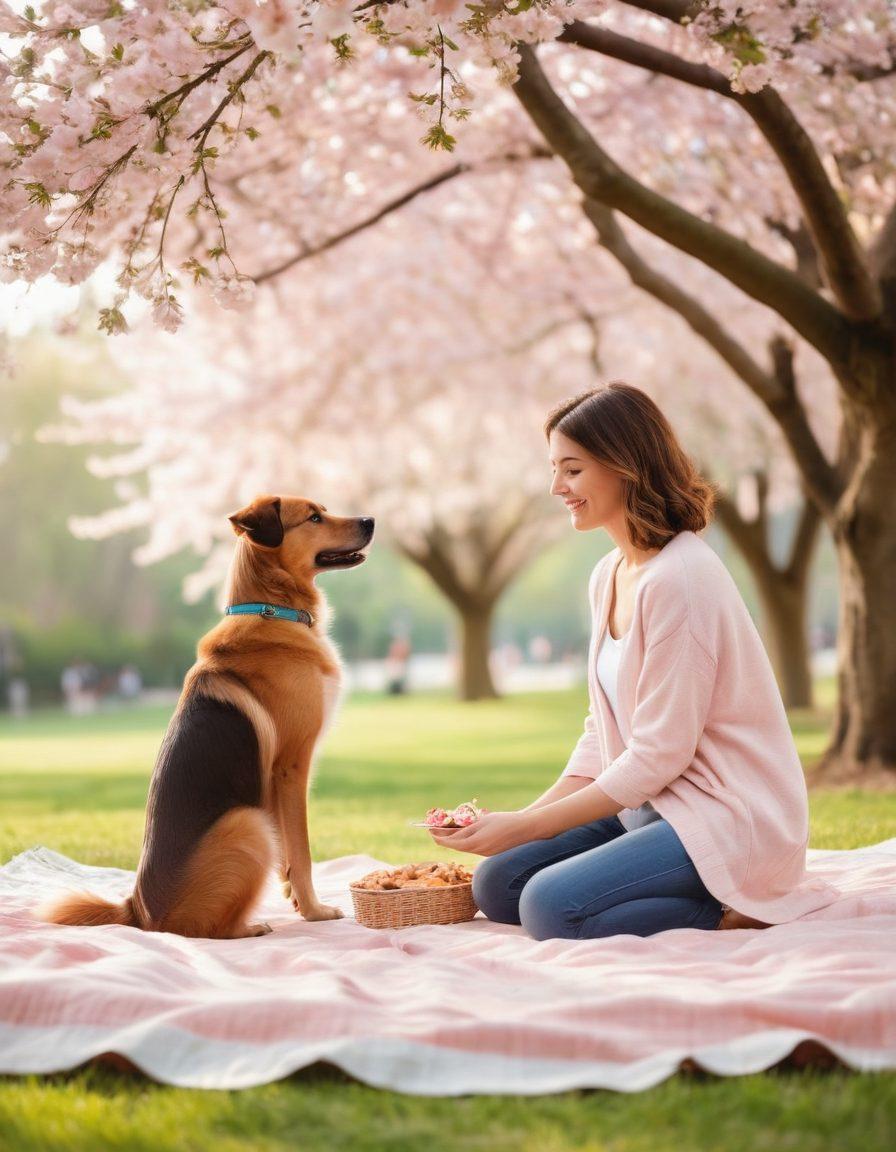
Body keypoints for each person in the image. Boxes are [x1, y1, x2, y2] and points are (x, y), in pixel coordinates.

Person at [430, 383, 841, 939]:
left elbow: (658, 754)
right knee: (498, 883)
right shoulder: (610, 574)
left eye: (571, 470)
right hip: (652, 808)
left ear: (624, 466)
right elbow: (603, 734)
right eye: (555, 469)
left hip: (727, 818)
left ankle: (732, 910)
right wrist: (521, 825)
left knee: (550, 907)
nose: (557, 487)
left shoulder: (681, 578)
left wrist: (527, 825)